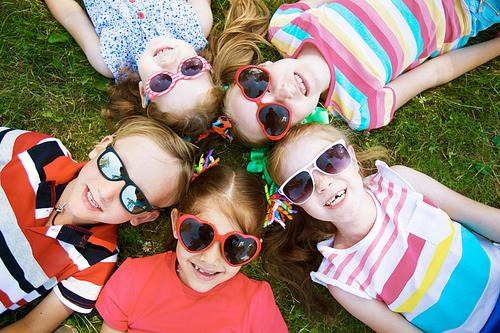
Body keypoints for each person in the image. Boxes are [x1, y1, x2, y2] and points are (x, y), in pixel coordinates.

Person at [260, 122, 500, 332]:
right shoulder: (342, 278)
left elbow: (481, 217)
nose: (322, 183)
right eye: (301, 184)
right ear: (295, 204)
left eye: (329, 160)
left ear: (352, 159)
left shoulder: (401, 183)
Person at [0, 116, 195, 332]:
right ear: (101, 147)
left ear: (143, 217)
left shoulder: (96, 259)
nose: (106, 193)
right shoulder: (38, 152)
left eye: (135, 197)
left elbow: (32, 327)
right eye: (113, 166)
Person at [222, 0, 500, 147]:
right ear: (298, 126)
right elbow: (437, 71)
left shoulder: (286, 29)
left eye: (258, 85)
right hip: (470, 8)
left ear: (265, 67)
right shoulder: (359, 108)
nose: (282, 93)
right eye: (275, 117)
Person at [95, 164, 289, 332]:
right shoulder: (133, 280)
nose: (210, 259)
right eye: (198, 234)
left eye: (235, 246)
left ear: (253, 250)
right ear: (175, 223)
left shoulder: (257, 304)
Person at [44, 0, 271, 139]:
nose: (170, 63)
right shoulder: (197, 25)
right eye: (190, 68)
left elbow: (71, 16)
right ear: (206, 66)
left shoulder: (112, 61)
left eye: (162, 82)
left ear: (144, 92)